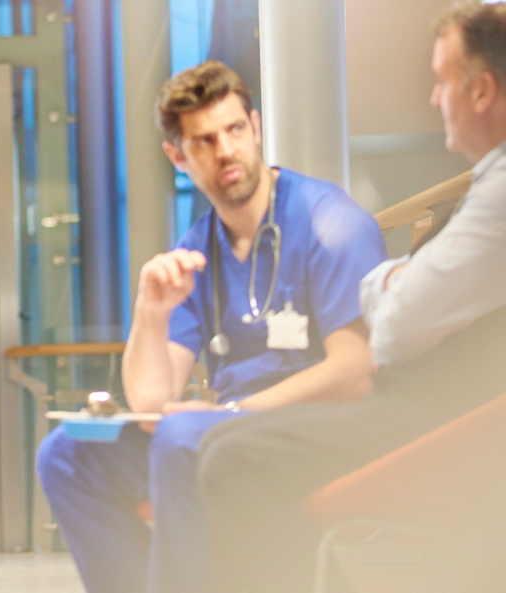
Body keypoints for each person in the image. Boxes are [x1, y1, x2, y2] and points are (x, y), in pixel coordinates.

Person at [35, 61, 387, 593]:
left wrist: (230, 413)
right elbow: (153, 398)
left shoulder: (328, 221)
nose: (226, 151)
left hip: (316, 430)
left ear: (256, 127)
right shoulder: (196, 250)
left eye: (235, 130)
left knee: (182, 437)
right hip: (219, 435)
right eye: (204, 141)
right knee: (64, 456)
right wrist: (150, 310)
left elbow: (356, 370)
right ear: (177, 156)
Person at [197, 4, 506, 591]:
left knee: (233, 458)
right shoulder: (201, 247)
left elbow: (389, 333)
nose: (435, 99)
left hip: (449, 418)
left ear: (483, 90)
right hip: (438, 405)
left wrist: (390, 284)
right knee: (217, 445)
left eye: (442, 82)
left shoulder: (494, 197)